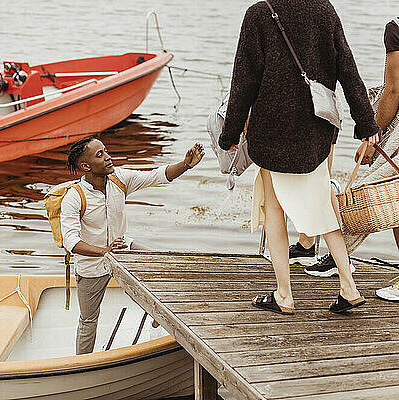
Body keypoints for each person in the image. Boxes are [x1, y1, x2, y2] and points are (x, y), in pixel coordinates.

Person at [219, 0, 380, 314]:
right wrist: (365, 122)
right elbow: (347, 67)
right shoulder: (324, 9)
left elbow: (245, 80)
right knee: (323, 206)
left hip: (274, 130)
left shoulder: (259, 13)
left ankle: (284, 294)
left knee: (274, 207)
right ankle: (347, 285)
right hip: (315, 131)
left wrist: (231, 133)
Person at [60, 136, 204, 354]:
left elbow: (157, 176)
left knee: (161, 268)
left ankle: (158, 316)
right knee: (88, 320)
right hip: (92, 266)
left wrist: (185, 165)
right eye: (100, 155)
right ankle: (81, 364)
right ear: (85, 166)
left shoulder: (120, 179)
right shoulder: (74, 198)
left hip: (123, 250)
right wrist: (105, 252)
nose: (108, 157)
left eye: (106, 151)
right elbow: (71, 241)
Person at [305, 17, 399, 283]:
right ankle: (339, 255)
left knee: (383, 190)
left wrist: (373, 136)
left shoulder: (397, 28)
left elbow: (393, 90)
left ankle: (339, 255)